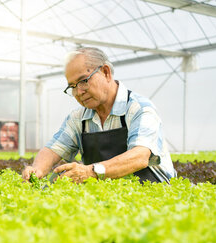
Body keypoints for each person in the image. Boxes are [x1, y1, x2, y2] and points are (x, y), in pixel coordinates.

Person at [22, 47, 176, 184]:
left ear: (106, 72)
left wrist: (90, 172)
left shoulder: (139, 108)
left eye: (83, 81)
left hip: (152, 198)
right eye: (72, 87)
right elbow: (53, 149)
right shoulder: (78, 118)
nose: (79, 92)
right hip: (108, 200)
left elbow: (140, 156)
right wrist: (37, 169)